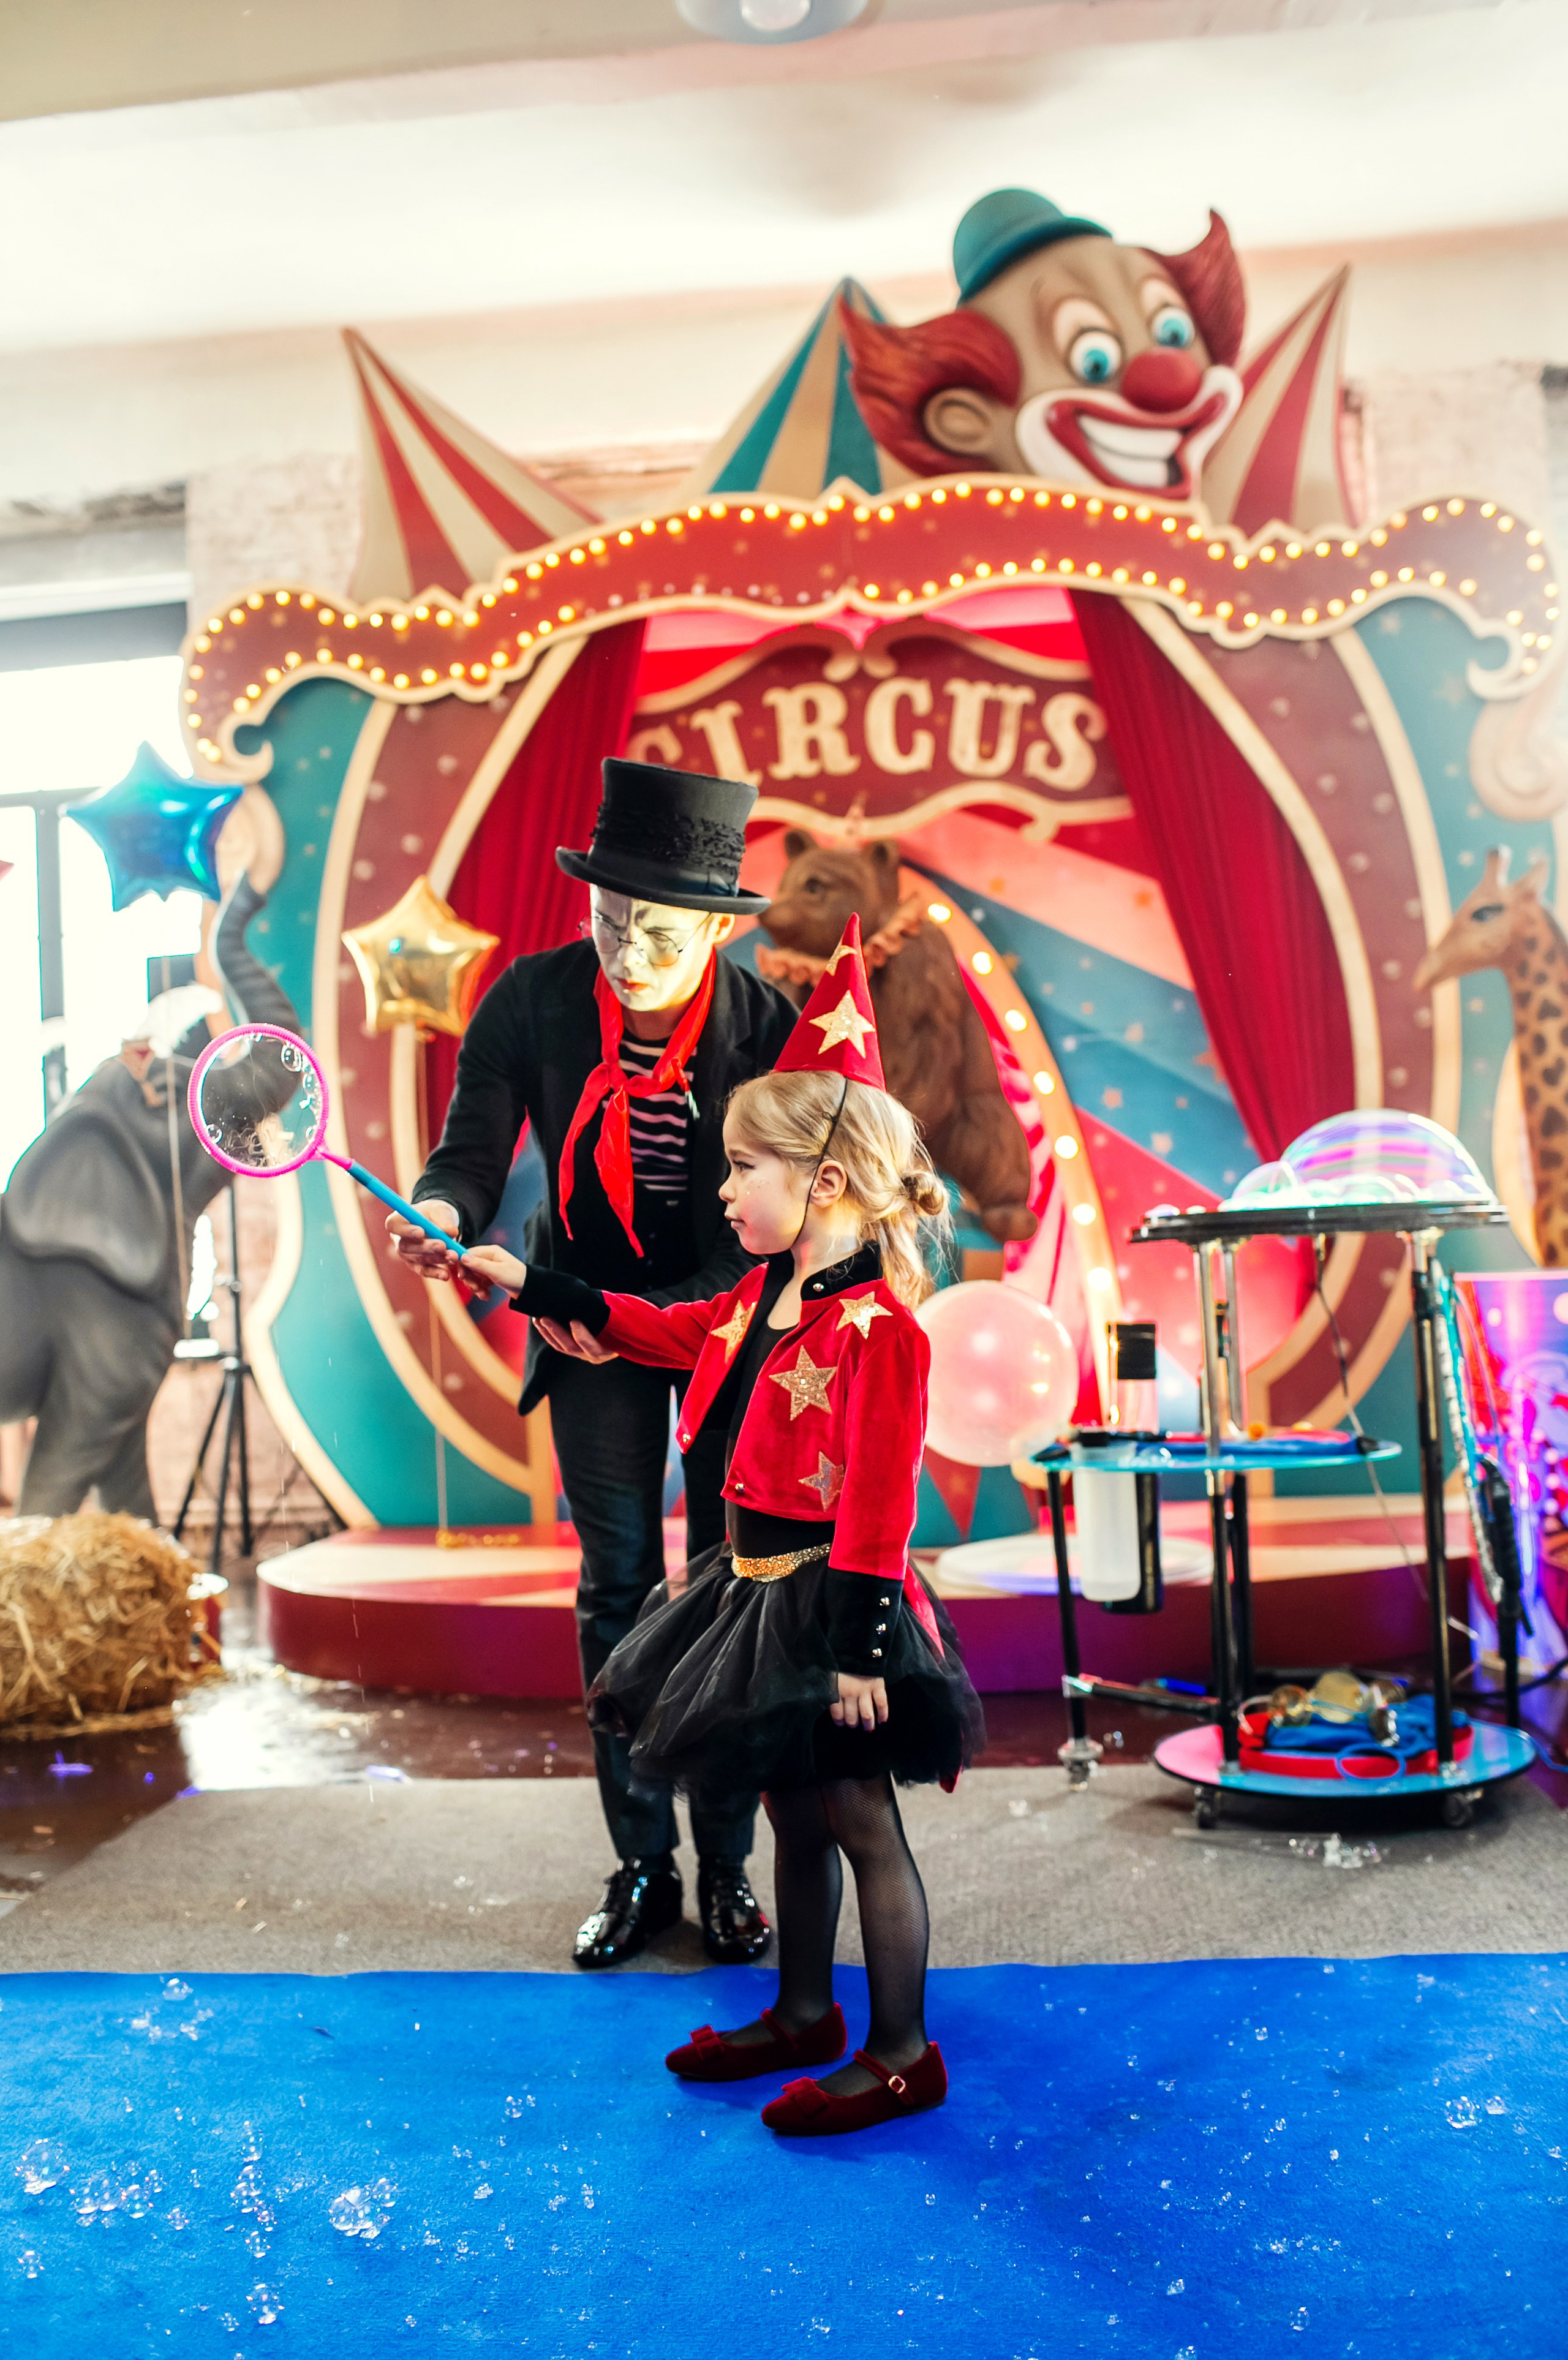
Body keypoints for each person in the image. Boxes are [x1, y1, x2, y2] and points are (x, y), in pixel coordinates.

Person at [462, 918, 986, 2138]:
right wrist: (528, 1280)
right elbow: (655, 1324)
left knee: (860, 1818)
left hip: (833, 1604)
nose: (721, 1187)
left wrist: (859, 1649)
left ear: (826, 1183)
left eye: (742, 1168)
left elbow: (879, 1495)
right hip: (753, 1588)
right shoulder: (755, 1294)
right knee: (789, 1810)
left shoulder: (879, 1332)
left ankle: (901, 2048)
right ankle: (802, 2011)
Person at [386, 758, 799, 1970]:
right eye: (608, 922)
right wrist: (440, 1213)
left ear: (715, 928)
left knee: (729, 1584)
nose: (625, 951)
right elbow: (466, 1157)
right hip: (584, 1329)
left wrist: (664, 1312)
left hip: (725, 1321)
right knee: (615, 1587)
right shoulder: (531, 999)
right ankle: (642, 1865)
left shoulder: (769, 1030)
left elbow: (773, 1225)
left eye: (657, 932)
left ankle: (725, 1869)